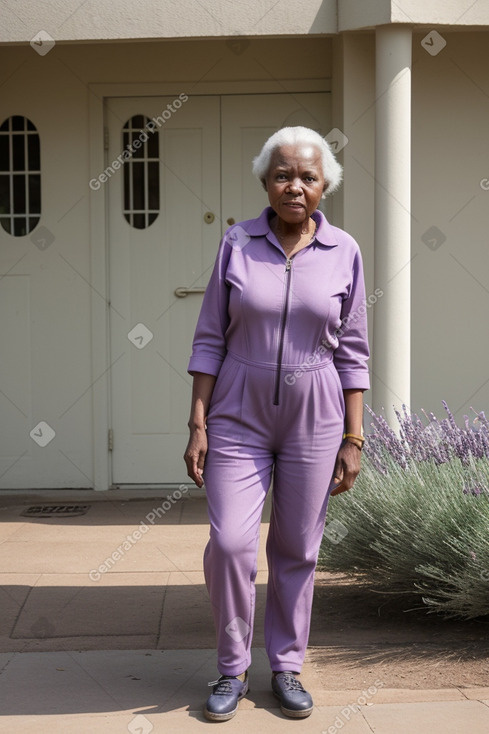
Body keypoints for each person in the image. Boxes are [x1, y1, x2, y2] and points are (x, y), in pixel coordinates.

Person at [184, 126, 370, 722]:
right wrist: (197, 423)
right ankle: (232, 667)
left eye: (308, 177)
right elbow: (210, 336)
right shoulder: (237, 243)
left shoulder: (344, 251)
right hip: (237, 409)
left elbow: (354, 351)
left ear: (324, 186)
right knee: (232, 544)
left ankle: (286, 665)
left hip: (315, 412)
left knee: (296, 546)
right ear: (265, 181)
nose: (296, 186)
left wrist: (354, 435)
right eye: (284, 174)